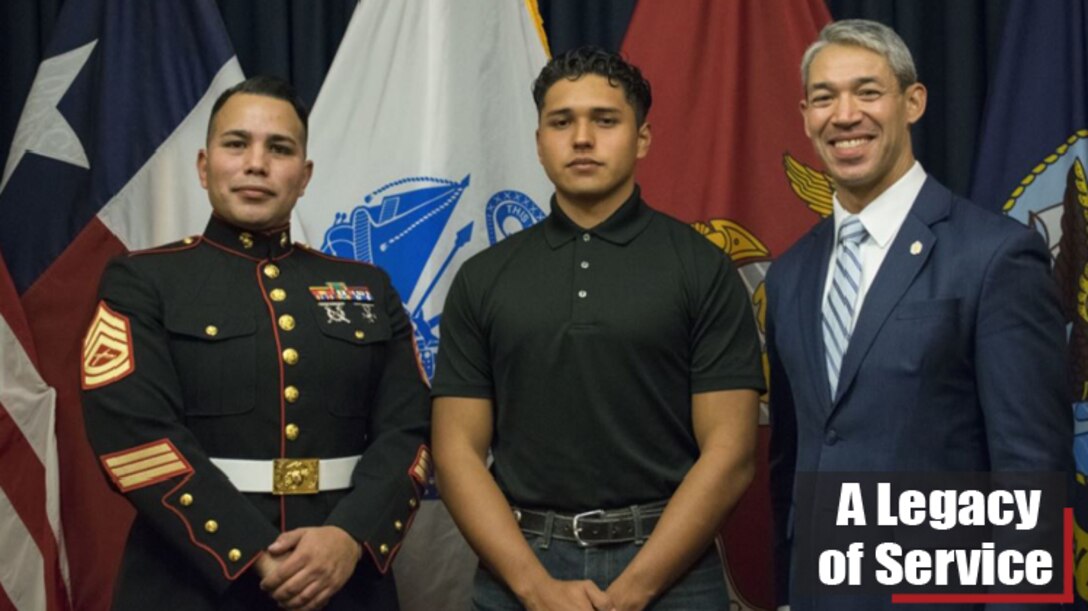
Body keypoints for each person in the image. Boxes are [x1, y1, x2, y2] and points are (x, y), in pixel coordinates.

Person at [431, 46, 764, 611]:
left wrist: (635, 589)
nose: (582, 138)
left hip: (672, 568)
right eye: (562, 122)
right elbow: (455, 449)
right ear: (539, 141)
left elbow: (730, 452)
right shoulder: (483, 277)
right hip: (521, 566)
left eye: (605, 121)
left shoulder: (702, 267)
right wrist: (536, 589)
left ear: (642, 139)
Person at [80, 76, 431, 610]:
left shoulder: (368, 287)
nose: (256, 163)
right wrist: (250, 550)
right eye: (236, 143)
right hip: (189, 578)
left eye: (280, 148)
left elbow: (410, 429)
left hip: (345, 579)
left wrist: (349, 536)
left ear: (305, 174)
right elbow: (133, 435)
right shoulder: (143, 281)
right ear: (204, 165)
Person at [766, 20, 1071, 610]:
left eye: (868, 92)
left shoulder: (994, 256)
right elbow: (793, 460)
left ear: (913, 102)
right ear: (805, 116)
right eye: (825, 98)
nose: (845, 114)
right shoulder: (790, 275)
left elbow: (1032, 470)